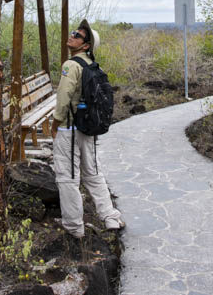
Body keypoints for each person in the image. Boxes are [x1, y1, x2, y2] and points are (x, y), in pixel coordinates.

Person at [52, 19, 124, 255]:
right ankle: (110, 217)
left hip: (70, 128)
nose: (72, 36)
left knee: (67, 176)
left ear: (85, 45)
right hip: (88, 129)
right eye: (73, 32)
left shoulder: (71, 65)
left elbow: (63, 97)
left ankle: (74, 227)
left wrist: (55, 122)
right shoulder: (94, 65)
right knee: (93, 173)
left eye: (77, 35)